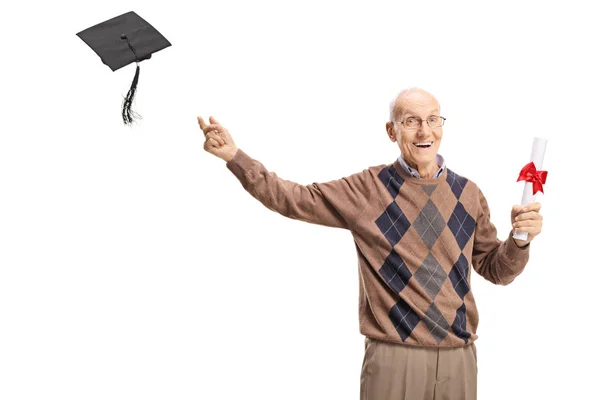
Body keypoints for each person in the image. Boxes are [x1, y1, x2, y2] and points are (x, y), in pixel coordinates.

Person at [198, 87, 543, 400]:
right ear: (392, 131)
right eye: (411, 121)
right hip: (395, 357)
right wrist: (235, 157)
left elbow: (498, 271)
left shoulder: (468, 194)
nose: (425, 131)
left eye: (433, 119)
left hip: (459, 358)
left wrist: (519, 240)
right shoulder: (368, 190)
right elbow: (292, 199)